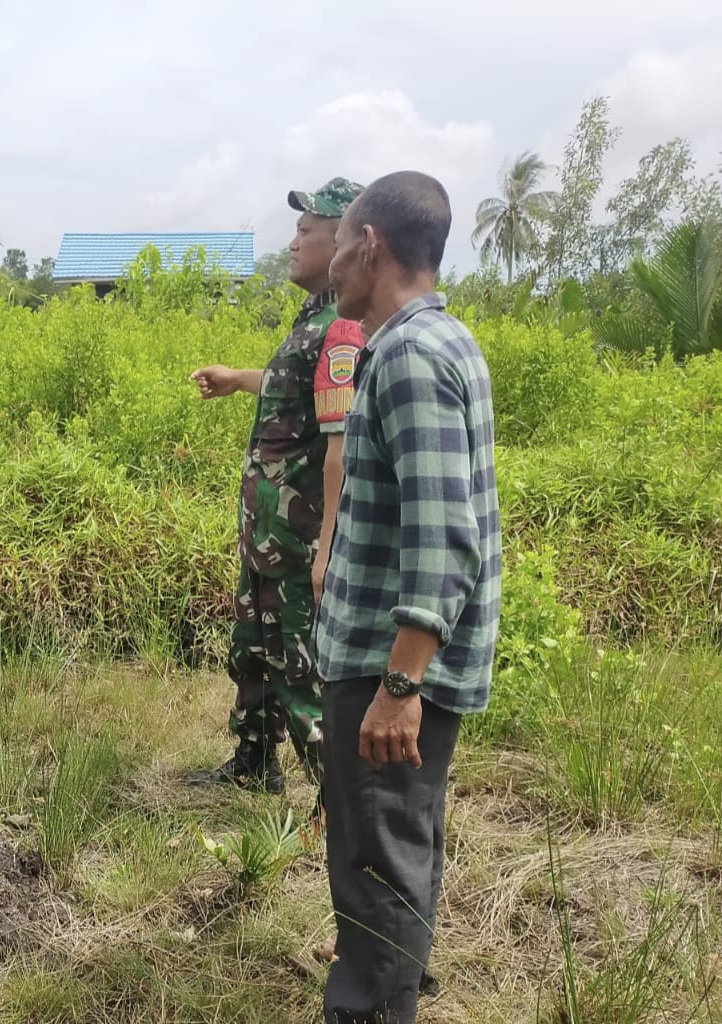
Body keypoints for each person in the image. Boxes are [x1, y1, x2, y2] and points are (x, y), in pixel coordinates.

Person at [314, 170, 501, 1022]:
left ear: (371, 243)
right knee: (396, 851)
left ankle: (373, 1004)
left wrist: (400, 684)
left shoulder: (411, 355)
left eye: (340, 241)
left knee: (379, 864)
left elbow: (441, 530)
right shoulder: (435, 340)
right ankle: (383, 977)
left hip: (392, 669)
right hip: (394, 663)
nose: (331, 263)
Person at [187, 177, 366, 805]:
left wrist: (325, 546)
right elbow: (297, 384)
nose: (291, 243)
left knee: (297, 666)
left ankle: (335, 801)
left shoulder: (344, 327)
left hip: (297, 537)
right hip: (267, 534)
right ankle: (252, 762)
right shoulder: (314, 316)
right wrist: (239, 378)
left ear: (343, 238)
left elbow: (341, 445)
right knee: (253, 651)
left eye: (304, 231)